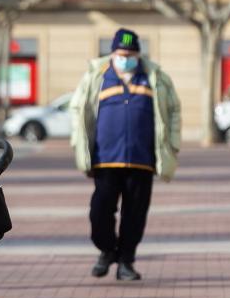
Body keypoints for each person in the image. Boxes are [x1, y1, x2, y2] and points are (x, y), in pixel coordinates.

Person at [68, 28, 181, 282]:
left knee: (135, 214)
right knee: (99, 211)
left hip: (143, 159)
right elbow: (77, 108)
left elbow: (174, 110)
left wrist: (172, 144)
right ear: (113, 54)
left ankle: (126, 261)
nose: (126, 58)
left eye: (131, 54)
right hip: (105, 158)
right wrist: (79, 142)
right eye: (121, 54)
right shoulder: (97, 76)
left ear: (138, 55)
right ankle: (107, 250)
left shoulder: (155, 77)